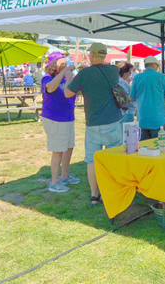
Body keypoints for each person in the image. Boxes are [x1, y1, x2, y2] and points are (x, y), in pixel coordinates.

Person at [64, 43, 122, 206]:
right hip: (112, 120)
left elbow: (68, 93)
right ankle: (107, 192)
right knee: (112, 159)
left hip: (93, 122)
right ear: (104, 55)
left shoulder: (84, 74)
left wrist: (70, 78)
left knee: (92, 160)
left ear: (92, 55)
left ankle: (94, 195)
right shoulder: (113, 71)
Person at [41, 51, 80, 193]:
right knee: (58, 150)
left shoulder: (66, 77)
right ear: (53, 64)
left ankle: (65, 176)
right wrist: (64, 73)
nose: (65, 65)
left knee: (69, 147)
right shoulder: (47, 78)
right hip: (54, 118)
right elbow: (50, 88)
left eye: (66, 63)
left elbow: (69, 93)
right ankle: (54, 182)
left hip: (68, 117)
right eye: (61, 63)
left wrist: (69, 77)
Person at [129, 55, 165, 140]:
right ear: (154, 64)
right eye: (157, 65)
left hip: (142, 119)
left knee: (143, 148)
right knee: (159, 146)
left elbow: (132, 97)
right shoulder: (162, 77)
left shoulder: (137, 78)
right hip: (158, 119)